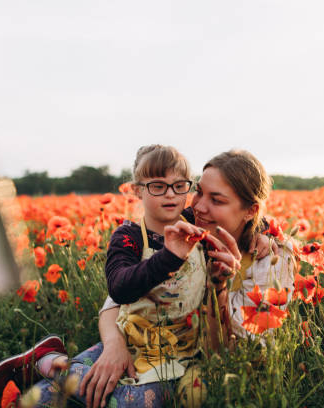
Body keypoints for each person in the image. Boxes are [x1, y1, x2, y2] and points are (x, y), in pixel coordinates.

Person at [0, 145, 242, 407]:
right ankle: (48, 363)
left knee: (133, 402)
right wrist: (169, 257)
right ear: (137, 190)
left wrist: (266, 236)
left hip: (178, 354)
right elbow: (120, 288)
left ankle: (56, 365)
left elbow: (246, 212)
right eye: (157, 186)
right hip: (128, 342)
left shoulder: (194, 223)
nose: (170, 195)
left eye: (179, 186)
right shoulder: (127, 236)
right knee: (44, 400)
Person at [88, 150, 297, 407]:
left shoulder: (272, 258)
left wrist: (220, 285)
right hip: (157, 351)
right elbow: (118, 296)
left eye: (216, 200)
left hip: (228, 371)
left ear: (250, 211)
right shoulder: (190, 234)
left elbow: (241, 351)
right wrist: (113, 344)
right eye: (198, 192)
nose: (196, 206)